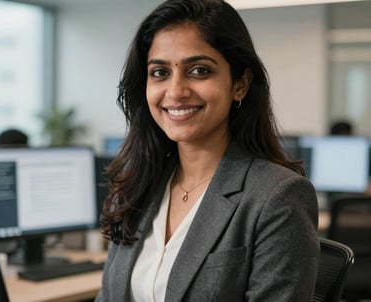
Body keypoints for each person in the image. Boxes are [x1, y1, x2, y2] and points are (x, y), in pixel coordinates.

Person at [96, 0, 319, 301]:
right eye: (160, 72)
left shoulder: (277, 197)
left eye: (199, 70)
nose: (175, 91)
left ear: (240, 84)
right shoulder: (136, 185)